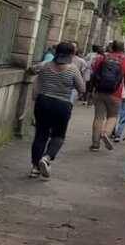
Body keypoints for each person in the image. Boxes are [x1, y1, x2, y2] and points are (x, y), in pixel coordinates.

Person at [30, 42, 85, 178]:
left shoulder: (45, 65)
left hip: (43, 102)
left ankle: (35, 168)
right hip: (62, 105)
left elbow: (31, 70)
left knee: (40, 135)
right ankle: (47, 157)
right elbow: (82, 89)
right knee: (58, 135)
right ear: (71, 54)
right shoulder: (73, 69)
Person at [90, 40, 125, 151]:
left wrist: (91, 90)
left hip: (100, 92)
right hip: (115, 94)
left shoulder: (102, 58)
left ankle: (95, 144)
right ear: (123, 49)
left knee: (98, 117)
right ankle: (106, 133)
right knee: (113, 116)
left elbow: (94, 73)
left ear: (111, 47)